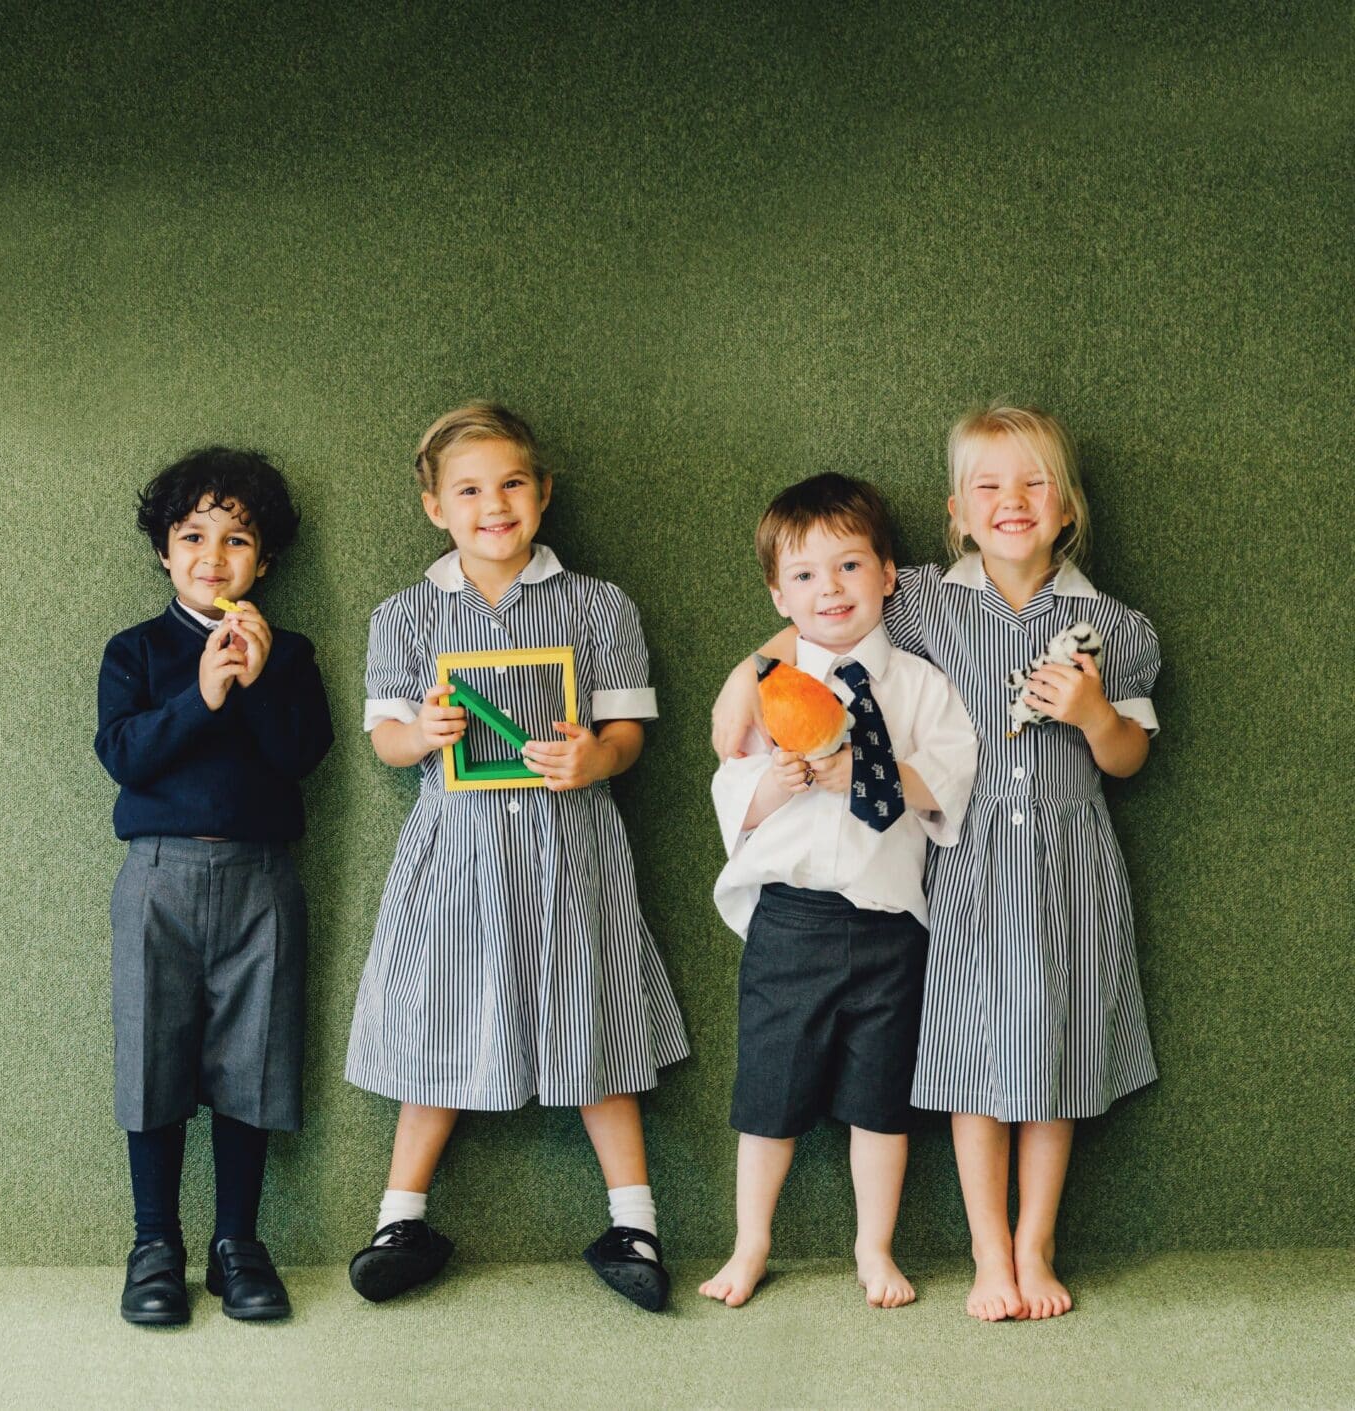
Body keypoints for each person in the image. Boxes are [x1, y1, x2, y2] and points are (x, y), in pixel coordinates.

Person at [712, 406, 1161, 1321]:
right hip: (964, 861)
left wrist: (1092, 714)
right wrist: (743, 679)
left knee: (1059, 1045)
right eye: (988, 485)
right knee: (969, 1051)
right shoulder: (920, 596)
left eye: (1034, 481)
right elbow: (821, 616)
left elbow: (1128, 758)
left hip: (1069, 860)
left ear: (1067, 506)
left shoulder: (1117, 626)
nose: (1012, 500)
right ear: (957, 512)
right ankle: (988, 1252)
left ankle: (1033, 1245)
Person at [344, 403, 689, 1311]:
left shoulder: (599, 604)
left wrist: (595, 758)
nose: (492, 505)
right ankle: (399, 1219)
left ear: (542, 492)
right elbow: (385, 739)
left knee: (593, 1015)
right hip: (456, 852)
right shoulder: (405, 614)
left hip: (571, 848)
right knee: (439, 1016)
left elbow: (627, 733)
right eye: (467, 490)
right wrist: (421, 734)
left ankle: (635, 1222)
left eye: (510, 484)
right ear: (435, 508)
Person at [700, 474, 976, 1309]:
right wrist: (776, 782)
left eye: (850, 565)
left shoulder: (921, 685)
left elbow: (947, 780)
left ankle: (874, 1247)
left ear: (888, 575)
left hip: (890, 923)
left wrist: (867, 769)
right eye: (806, 575)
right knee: (768, 1093)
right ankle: (751, 1242)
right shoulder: (768, 689)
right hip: (792, 918)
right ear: (779, 596)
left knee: (880, 1100)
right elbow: (731, 790)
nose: (831, 588)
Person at [95, 447, 333, 1325]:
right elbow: (123, 754)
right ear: (165, 551)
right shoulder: (136, 651)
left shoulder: (290, 653)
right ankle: (154, 1242)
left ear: (263, 562)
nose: (213, 555)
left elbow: (302, 754)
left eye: (237, 539)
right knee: (150, 1053)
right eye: (193, 536)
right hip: (156, 875)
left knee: (254, 1058)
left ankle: (239, 1243)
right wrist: (201, 694)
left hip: (261, 878)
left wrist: (257, 681)